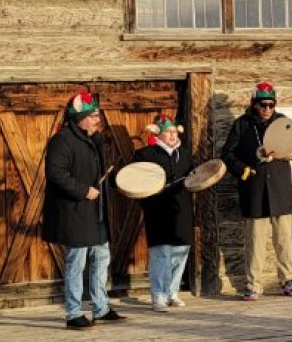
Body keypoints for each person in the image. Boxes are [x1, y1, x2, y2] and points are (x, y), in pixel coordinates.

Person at [42, 91, 127, 329]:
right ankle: (73, 313)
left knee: (101, 259)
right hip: (75, 212)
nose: (97, 120)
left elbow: (98, 173)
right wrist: (82, 191)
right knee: (76, 263)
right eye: (93, 116)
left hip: (97, 213)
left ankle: (101, 308)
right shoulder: (63, 140)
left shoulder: (95, 139)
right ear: (79, 118)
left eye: (97, 115)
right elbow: (55, 173)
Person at [220, 82, 292, 301]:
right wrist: (243, 170)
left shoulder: (283, 122)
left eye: (271, 104)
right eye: (262, 105)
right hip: (254, 187)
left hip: (279, 187)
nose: (267, 109)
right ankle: (253, 284)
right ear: (254, 104)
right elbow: (227, 154)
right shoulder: (242, 125)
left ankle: (289, 280)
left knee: (284, 239)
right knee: (256, 240)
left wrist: (282, 153)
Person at [134, 114, 194, 312]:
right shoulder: (145, 155)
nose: (172, 135)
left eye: (174, 131)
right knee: (161, 253)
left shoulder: (185, 154)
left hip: (181, 209)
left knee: (180, 251)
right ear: (158, 134)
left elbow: (193, 178)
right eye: (168, 132)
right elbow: (137, 180)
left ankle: (172, 292)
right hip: (158, 210)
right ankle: (158, 295)